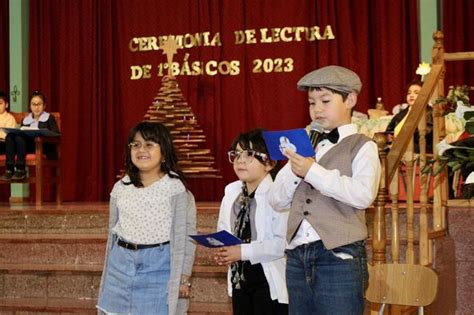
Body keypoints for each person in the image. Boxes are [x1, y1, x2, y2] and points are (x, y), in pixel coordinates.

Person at [269, 65, 381, 315]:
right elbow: (276, 200)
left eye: (325, 100)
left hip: (339, 256)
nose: (317, 109)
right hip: (297, 255)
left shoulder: (363, 146)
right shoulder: (306, 144)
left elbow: (363, 195)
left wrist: (312, 171)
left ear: (350, 99)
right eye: (311, 102)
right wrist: (295, 166)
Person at [97, 122, 197, 315]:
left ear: (164, 152)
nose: (141, 149)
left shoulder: (176, 189)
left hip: (159, 267)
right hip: (120, 265)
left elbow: (187, 236)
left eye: (149, 144)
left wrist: (184, 276)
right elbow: (112, 231)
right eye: (136, 145)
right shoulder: (121, 186)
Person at [215, 129, 289, 315]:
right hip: (239, 280)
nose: (240, 160)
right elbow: (223, 231)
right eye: (237, 154)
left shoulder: (278, 195)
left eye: (249, 155)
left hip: (267, 280)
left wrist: (242, 251)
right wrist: (222, 250)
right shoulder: (231, 193)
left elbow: (283, 244)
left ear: (269, 163)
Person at [0, 91, 59, 181]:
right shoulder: (26, 119)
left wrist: (43, 133)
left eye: (39, 104)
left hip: (41, 146)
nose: (36, 107)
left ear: (44, 106)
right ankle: (9, 170)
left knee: (20, 138)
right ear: (30, 106)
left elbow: (56, 133)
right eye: (33, 104)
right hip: (27, 146)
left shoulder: (49, 117)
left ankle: (20, 169)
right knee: (10, 136)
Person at [385, 80, 433, 153]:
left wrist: (402, 138)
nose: (411, 95)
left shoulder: (430, 112)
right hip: (396, 146)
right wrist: (389, 137)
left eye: (416, 93)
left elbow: (426, 134)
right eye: (409, 93)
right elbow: (389, 129)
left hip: (418, 147)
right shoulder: (402, 113)